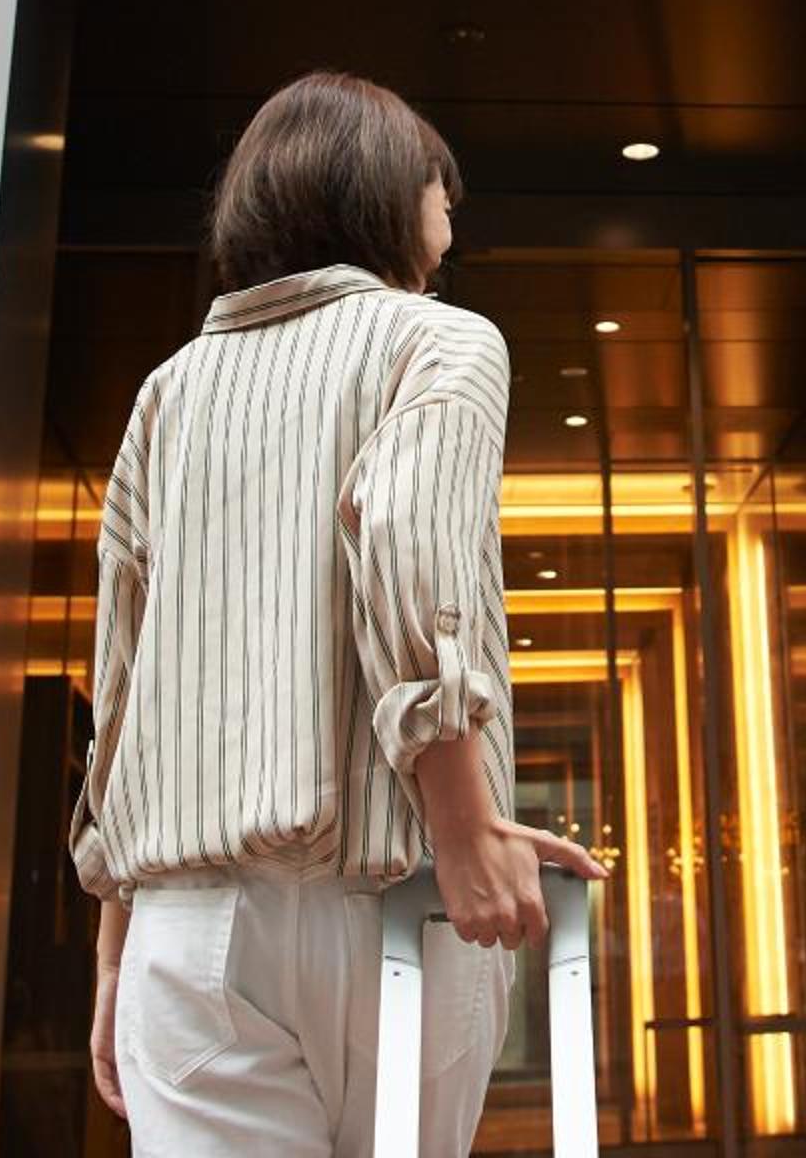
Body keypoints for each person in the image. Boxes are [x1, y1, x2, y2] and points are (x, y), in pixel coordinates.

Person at [68, 71, 604, 1155]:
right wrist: (465, 831)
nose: (451, 217)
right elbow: (410, 549)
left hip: (185, 922)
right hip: (395, 901)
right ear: (392, 192)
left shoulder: (170, 387)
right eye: (442, 188)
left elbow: (121, 678)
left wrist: (113, 945)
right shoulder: (440, 341)